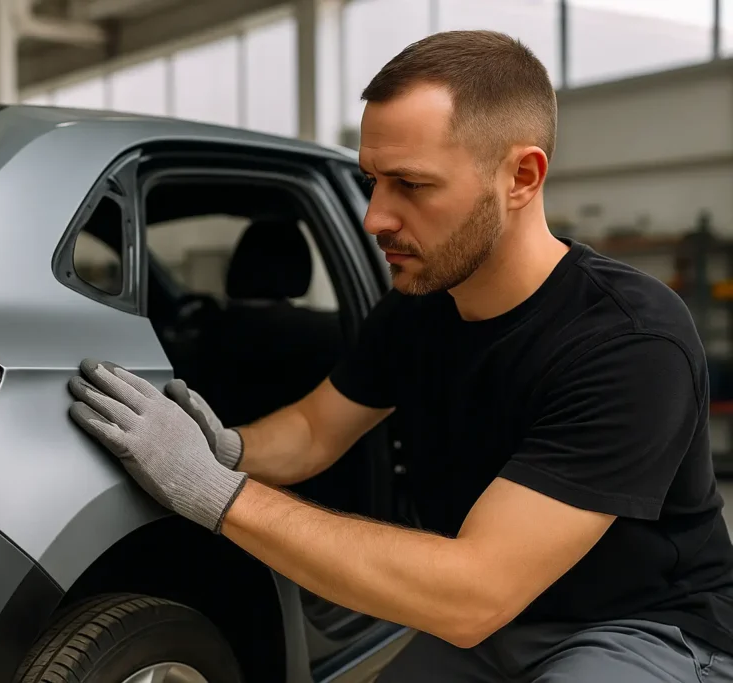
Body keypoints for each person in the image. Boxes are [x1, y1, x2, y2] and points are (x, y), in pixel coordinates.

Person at [66, 29, 733, 681]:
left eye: (410, 185)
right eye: (373, 180)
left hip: (644, 628)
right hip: (495, 622)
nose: (374, 217)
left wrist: (211, 490)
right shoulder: (420, 306)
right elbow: (314, 429)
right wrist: (225, 446)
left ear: (522, 177)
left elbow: (473, 590)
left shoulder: (629, 340)